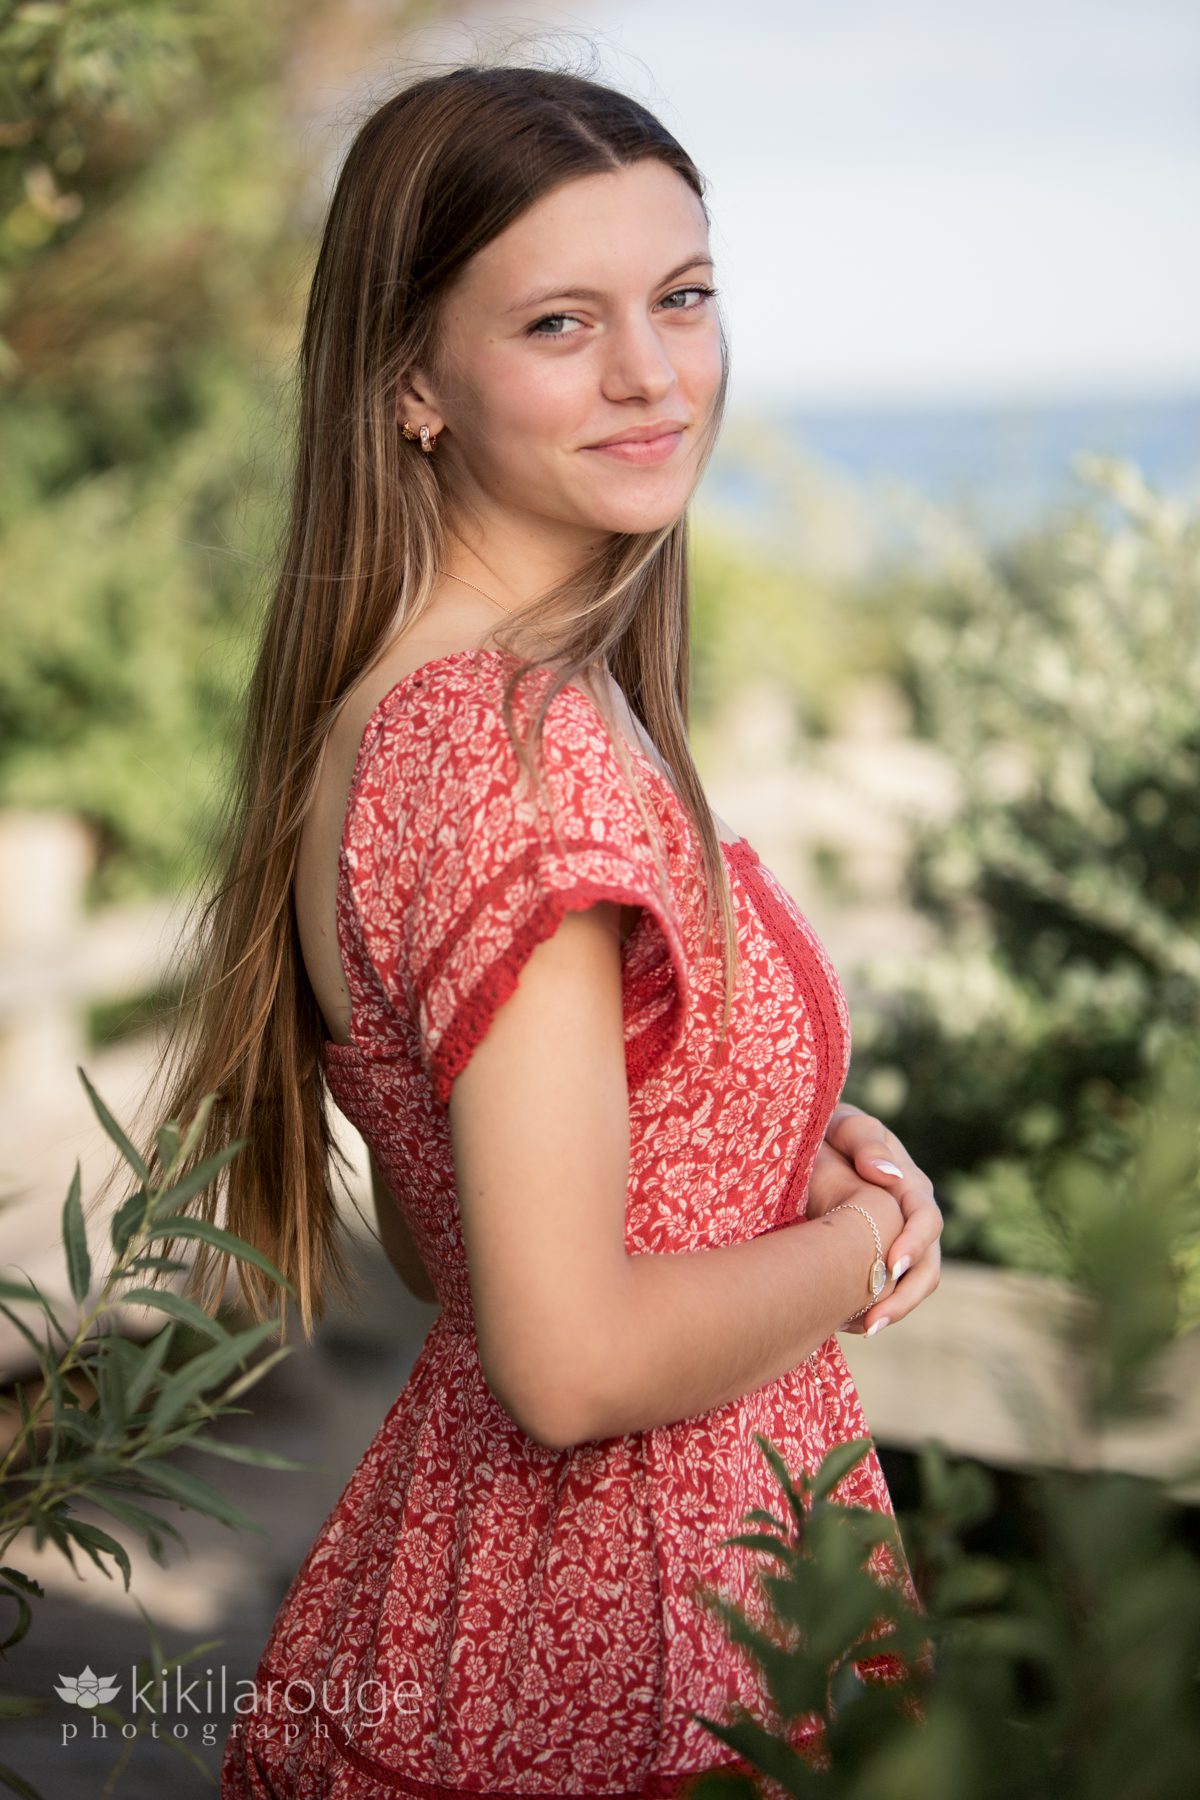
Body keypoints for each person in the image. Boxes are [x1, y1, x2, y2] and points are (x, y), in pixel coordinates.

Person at [142, 58, 942, 1798]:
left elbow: (454, 1241)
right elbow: (566, 1361)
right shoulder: (516, 758)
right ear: (415, 381)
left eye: (684, 297)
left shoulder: (411, 718)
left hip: (502, 1615)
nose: (654, 373)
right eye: (562, 322)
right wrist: (868, 1235)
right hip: (622, 1665)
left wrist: (768, 1164)